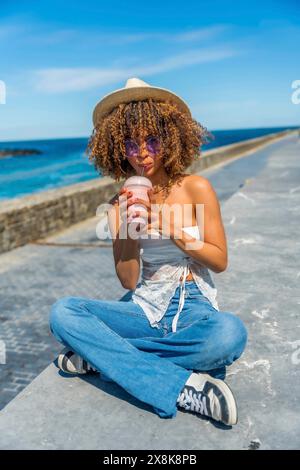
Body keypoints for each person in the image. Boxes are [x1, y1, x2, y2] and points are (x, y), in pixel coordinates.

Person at [49, 77, 247, 426]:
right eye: (130, 143)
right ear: (117, 149)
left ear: (170, 139)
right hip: (144, 309)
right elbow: (128, 282)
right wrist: (125, 229)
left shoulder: (195, 188)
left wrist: (172, 229)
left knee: (229, 335)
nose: (142, 153)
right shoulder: (117, 206)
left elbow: (219, 261)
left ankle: (102, 358)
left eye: (152, 140)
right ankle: (181, 387)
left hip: (195, 308)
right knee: (63, 313)